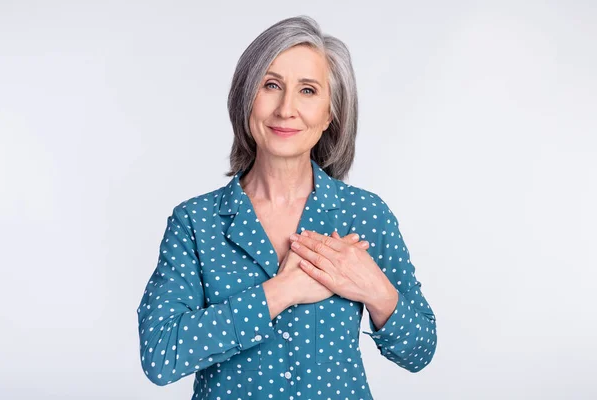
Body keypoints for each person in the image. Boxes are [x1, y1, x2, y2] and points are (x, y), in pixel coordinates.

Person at [136, 15, 437, 399]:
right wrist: (281, 291)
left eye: (308, 90)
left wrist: (376, 290)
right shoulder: (196, 223)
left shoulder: (364, 215)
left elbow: (420, 350)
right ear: (247, 98)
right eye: (271, 85)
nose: (286, 109)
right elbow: (160, 354)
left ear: (331, 113)